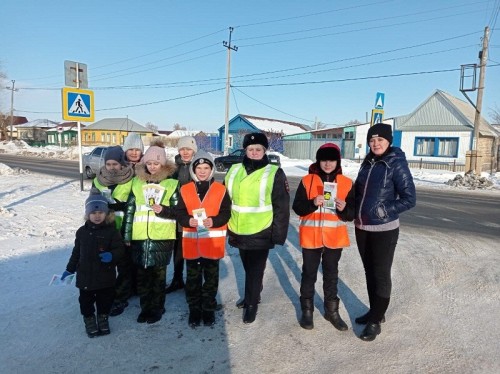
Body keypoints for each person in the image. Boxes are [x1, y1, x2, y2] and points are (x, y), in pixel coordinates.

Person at [354, 123, 416, 341]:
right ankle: (374, 311)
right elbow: (359, 192)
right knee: (369, 271)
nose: (375, 143)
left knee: (380, 274)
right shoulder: (368, 163)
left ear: (389, 141)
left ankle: (375, 321)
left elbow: (410, 198)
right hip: (362, 227)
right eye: (372, 140)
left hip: (384, 229)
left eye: (380, 140)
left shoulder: (395, 163)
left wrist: (384, 210)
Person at [225, 132, 290, 324]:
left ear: (265, 151)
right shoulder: (234, 170)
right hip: (237, 228)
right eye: (251, 149)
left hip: (261, 230)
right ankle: (254, 293)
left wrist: (278, 235)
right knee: (248, 267)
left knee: (255, 269)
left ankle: (251, 303)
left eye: (258, 149)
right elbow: (225, 198)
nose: (254, 152)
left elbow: (282, 206)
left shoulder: (273, 172)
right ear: (245, 150)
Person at [292, 143, 354, 331]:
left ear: (338, 161)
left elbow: (351, 215)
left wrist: (344, 209)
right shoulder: (307, 180)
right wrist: (312, 203)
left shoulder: (347, 183)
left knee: (331, 275)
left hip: (334, 239)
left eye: (332, 160)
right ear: (319, 161)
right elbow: (297, 208)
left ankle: (331, 311)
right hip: (311, 237)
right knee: (309, 274)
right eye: (324, 159)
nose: (328, 164)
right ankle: (307, 311)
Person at [122, 140, 179, 324]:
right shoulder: (137, 183)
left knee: (158, 277)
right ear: (144, 163)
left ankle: (157, 308)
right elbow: (130, 210)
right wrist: (127, 234)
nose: (153, 167)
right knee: (143, 277)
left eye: (156, 163)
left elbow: (178, 211)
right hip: (140, 237)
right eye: (149, 163)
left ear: (163, 164)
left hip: (162, 236)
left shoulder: (171, 184)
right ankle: (145, 308)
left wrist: (163, 209)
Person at [176, 150, 231, 328]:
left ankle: (208, 309)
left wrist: (213, 221)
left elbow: (226, 213)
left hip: (212, 245)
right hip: (191, 245)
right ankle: (194, 310)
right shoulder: (185, 189)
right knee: (192, 280)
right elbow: (180, 213)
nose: (202, 171)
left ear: (211, 169)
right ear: (193, 169)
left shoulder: (221, 190)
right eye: (198, 167)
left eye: (206, 167)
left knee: (210, 280)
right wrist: (187, 220)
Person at [60, 192, 124, 338]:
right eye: (93, 212)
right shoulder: (81, 232)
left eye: (100, 212)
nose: (97, 216)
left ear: (106, 213)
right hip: (85, 277)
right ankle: (89, 320)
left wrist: (112, 255)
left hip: (105, 276)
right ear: (87, 214)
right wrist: (69, 270)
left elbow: (120, 249)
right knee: (85, 302)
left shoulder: (112, 231)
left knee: (105, 301)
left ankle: (102, 318)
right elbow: (76, 252)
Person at [91, 146, 136, 317]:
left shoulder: (130, 179)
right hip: (104, 228)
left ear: (121, 163)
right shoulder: (98, 180)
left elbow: (134, 204)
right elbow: (92, 203)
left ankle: (121, 297)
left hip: (124, 227)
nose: (111, 167)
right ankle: (107, 294)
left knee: (124, 265)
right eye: (108, 164)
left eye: (115, 164)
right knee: (106, 265)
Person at [165, 136, 198, 294]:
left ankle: (193, 284)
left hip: (194, 214)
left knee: (192, 249)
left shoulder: (200, 165)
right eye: (182, 149)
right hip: (177, 214)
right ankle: (177, 279)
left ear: (194, 151)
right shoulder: (172, 168)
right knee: (178, 249)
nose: (185, 152)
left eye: (188, 149)